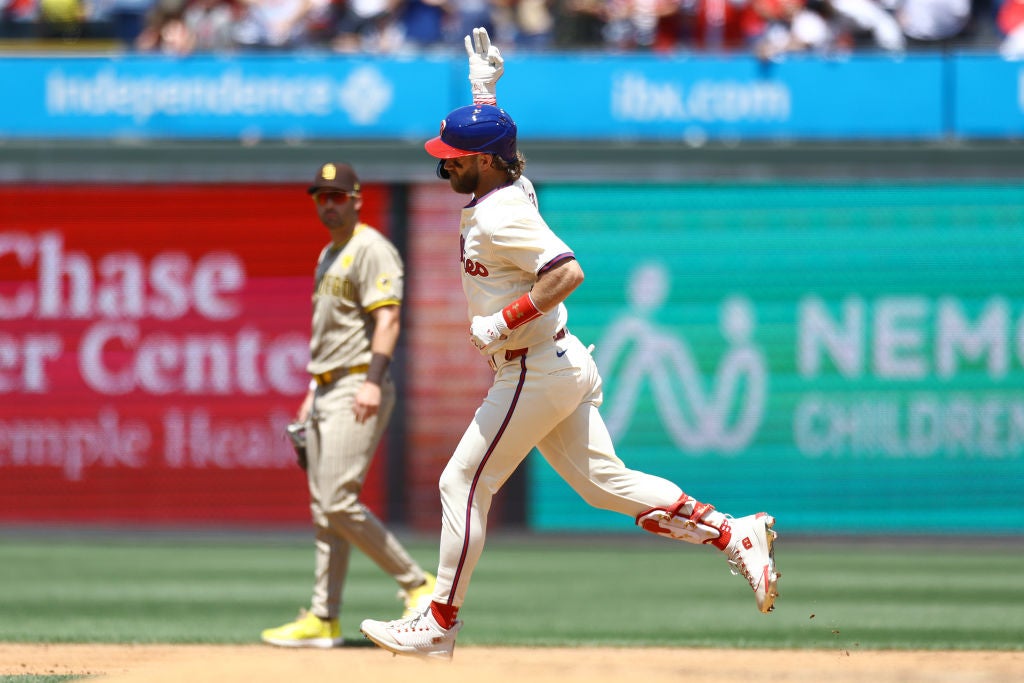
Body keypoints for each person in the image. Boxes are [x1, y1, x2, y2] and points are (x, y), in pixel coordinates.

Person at [358, 113, 781, 664]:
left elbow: (567, 272)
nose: (446, 162)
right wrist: (485, 96)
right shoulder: (511, 187)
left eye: (456, 154)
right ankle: (732, 532)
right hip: (556, 360)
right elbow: (501, 161)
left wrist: (504, 319)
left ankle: (439, 622)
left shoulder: (502, 211)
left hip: (532, 366)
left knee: (461, 482)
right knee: (605, 485)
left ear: (485, 160)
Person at [261, 162, 435, 648]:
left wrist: (373, 381)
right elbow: (331, 336)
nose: (329, 203)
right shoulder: (329, 253)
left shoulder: (371, 249)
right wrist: (312, 394)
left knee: (336, 497)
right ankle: (323, 617)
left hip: (360, 383)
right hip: (328, 387)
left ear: (357, 199)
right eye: (321, 196)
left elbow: (389, 321)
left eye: (337, 196)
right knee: (324, 509)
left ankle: (417, 584)